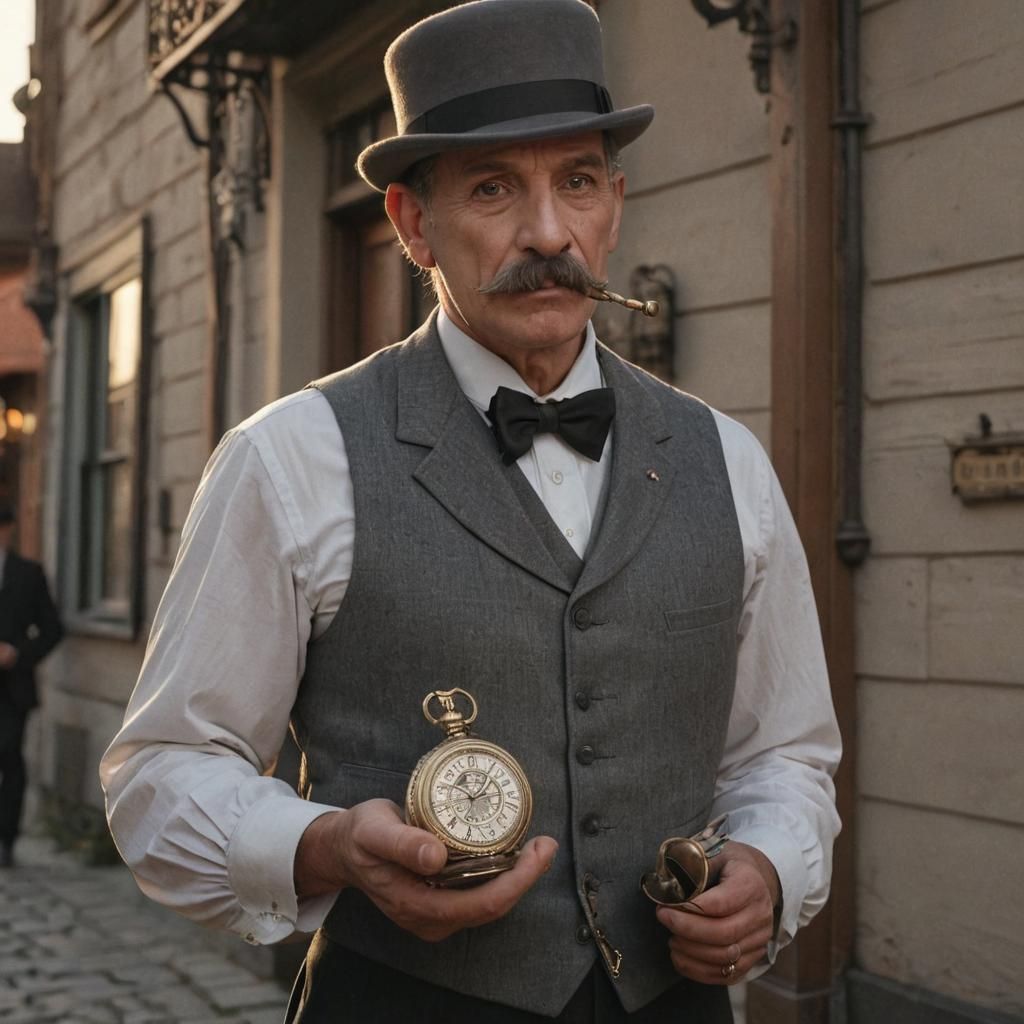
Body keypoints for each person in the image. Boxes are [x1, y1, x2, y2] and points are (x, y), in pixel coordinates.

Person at [100, 1, 841, 1021]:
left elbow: (783, 755)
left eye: (576, 181)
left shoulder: (727, 461)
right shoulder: (290, 457)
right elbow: (162, 775)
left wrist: (767, 863)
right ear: (412, 225)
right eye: (493, 189)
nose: (547, 232)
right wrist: (322, 845)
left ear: (614, 206)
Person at [0, 500, 63, 868]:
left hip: (13, 689)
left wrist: (17, 653)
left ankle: (6, 840)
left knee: (10, 759)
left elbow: (53, 629)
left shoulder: (29, 574)